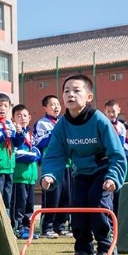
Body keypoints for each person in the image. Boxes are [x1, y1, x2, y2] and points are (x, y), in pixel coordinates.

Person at [40, 74, 126, 255]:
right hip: (80, 173)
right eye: (66, 91)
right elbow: (55, 154)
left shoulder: (99, 120)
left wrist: (113, 177)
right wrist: (49, 176)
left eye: (76, 90)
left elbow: (117, 152)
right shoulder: (62, 125)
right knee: (78, 209)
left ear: (89, 97)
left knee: (98, 206)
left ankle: (108, 249)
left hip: (103, 171)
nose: (70, 94)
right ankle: (83, 249)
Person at [34, 95, 71, 239]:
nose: (56, 107)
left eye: (58, 104)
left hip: (67, 164)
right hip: (52, 165)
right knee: (52, 196)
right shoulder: (42, 123)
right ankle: (46, 227)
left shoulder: (64, 121)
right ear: (45, 108)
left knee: (65, 197)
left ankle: (60, 226)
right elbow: (39, 142)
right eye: (52, 105)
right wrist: (55, 132)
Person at [11, 104, 41, 239]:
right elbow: (16, 154)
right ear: (13, 119)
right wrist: (32, 155)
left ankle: (28, 228)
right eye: (18, 116)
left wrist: (33, 154)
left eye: (24, 116)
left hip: (31, 176)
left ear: (29, 118)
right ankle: (18, 228)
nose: (22, 118)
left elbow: (37, 151)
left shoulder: (30, 134)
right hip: (19, 176)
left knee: (29, 205)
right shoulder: (14, 134)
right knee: (19, 204)